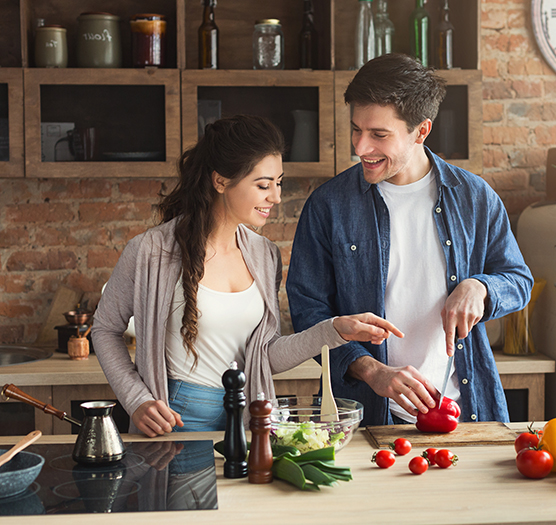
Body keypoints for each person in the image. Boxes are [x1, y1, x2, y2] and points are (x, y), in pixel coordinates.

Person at [92, 114, 402, 437]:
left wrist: (335, 329)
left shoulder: (264, 255)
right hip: (177, 420)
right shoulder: (150, 251)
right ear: (221, 181)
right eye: (263, 185)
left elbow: (265, 356)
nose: (276, 197)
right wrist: (136, 399)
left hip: (247, 420)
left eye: (278, 183)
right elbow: (104, 329)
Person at [286, 54, 533, 427]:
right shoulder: (329, 206)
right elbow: (309, 312)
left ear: (421, 131)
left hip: (464, 413)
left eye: (379, 135)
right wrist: (371, 370)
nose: (360, 147)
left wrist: (480, 287)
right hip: (365, 418)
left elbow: (518, 280)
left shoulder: (475, 198)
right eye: (356, 129)